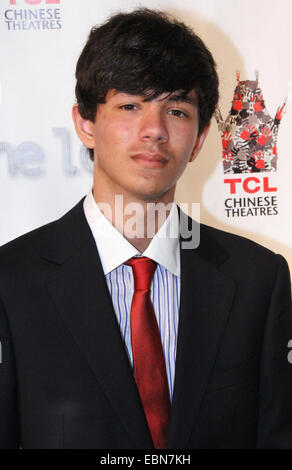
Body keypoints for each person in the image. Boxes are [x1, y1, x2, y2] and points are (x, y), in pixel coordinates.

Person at [0, 8, 291, 450]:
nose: (153, 130)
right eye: (130, 106)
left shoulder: (258, 280)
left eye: (176, 109)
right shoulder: (11, 282)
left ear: (198, 138)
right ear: (85, 123)